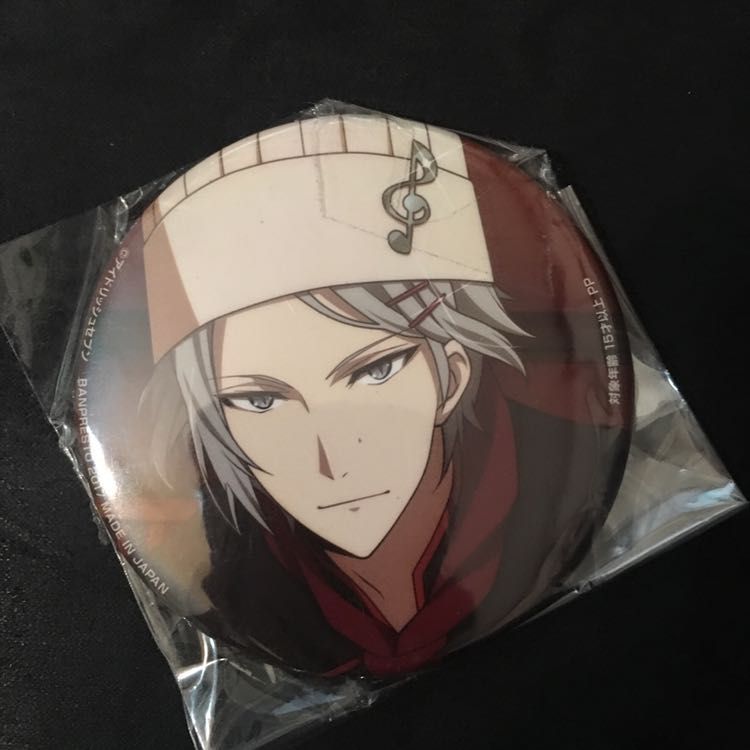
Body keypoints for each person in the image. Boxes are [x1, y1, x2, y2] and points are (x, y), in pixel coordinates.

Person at [139, 113, 631, 676]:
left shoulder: (562, 473)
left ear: (451, 376)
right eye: (260, 402)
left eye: (375, 371)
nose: (331, 462)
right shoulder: (234, 582)